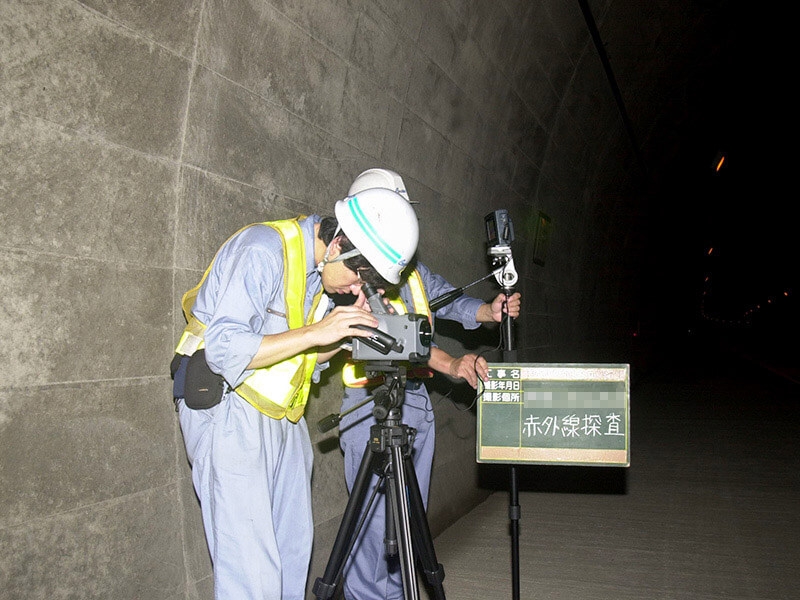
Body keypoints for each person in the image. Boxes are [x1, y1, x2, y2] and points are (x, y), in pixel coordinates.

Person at [170, 182, 420, 600]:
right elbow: (225, 349)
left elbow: (298, 355)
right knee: (252, 572)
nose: (358, 289)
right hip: (227, 409)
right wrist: (320, 330)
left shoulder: (317, 278)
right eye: (361, 275)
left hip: (281, 416)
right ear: (339, 242)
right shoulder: (263, 249)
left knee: (292, 552)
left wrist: (339, 340)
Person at [336, 169, 522, 600]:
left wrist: (490, 312)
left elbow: (453, 300)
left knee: (406, 523)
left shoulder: (413, 270)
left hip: (414, 402)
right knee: (368, 525)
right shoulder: (348, 274)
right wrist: (453, 363)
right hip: (370, 406)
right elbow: (389, 333)